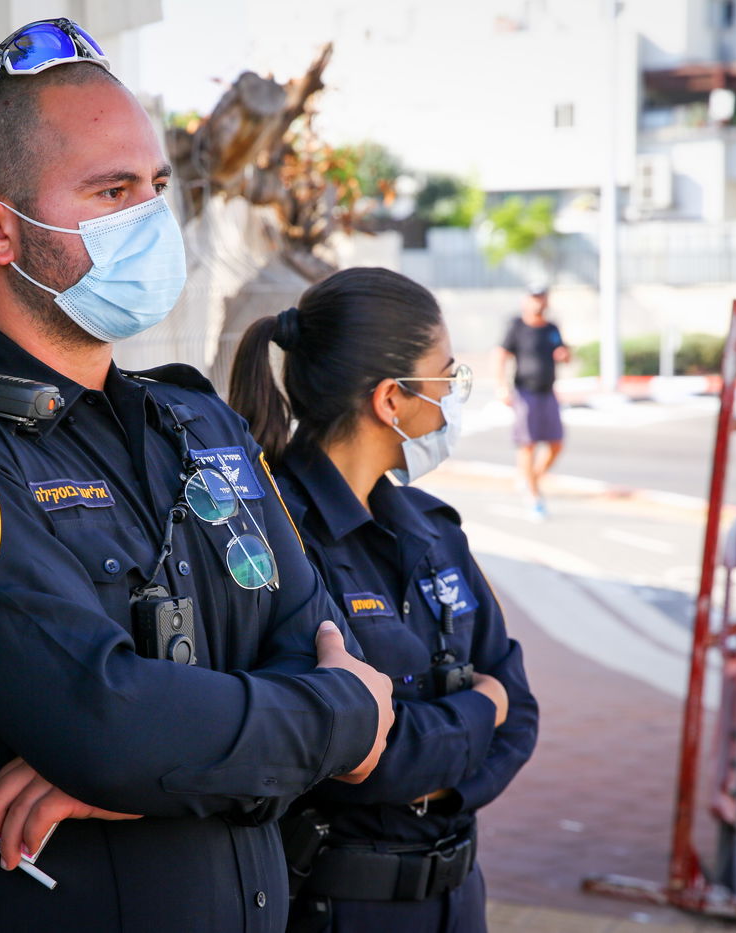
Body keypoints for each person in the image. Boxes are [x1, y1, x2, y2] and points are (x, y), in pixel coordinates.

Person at [0, 20, 394, 932]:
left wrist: (158, 758)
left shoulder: (195, 423)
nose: (151, 219)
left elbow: (342, 654)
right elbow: (113, 727)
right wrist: (314, 721)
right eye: (112, 190)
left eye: (156, 187)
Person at [228, 268, 540, 932]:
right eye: (445, 375)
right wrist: (480, 707)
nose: (454, 395)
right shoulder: (275, 537)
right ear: (391, 400)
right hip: (338, 906)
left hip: (457, 899)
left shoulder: (432, 528)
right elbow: (361, 756)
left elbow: (523, 714)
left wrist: (437, 771)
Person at [495, 282, 570, 521]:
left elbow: (563, 353)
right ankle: (534, 497)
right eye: (534, 297)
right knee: (528, 444)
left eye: (542, 297)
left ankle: (530, 480)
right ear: (526, 300)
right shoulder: (517, 326)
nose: (538, 302)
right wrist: (501, 386)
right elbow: (501, 354)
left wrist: (565, 355)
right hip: (525, 393)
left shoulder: (552, 328)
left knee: (556, 442)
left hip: (548, 392)